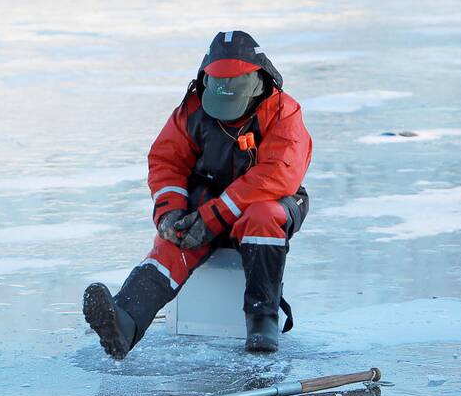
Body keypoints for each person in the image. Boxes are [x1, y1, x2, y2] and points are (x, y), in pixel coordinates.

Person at [83, 30, 311, 357]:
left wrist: (213, 217)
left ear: (258, 83)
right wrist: (171, 213)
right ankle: (126, 320)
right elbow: (166, 160)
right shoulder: (191, 111)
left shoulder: (283, 112)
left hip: (269, 203)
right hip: (208, 205)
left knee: (264, 216)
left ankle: (263, 323)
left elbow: (277, 174)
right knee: (173, 239)